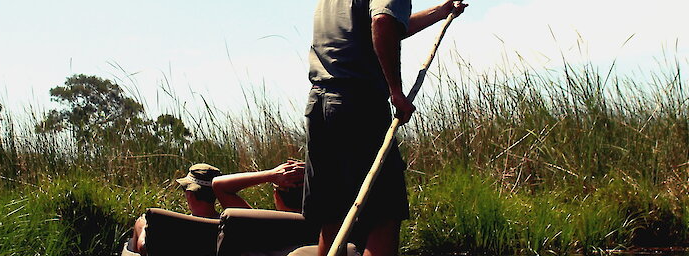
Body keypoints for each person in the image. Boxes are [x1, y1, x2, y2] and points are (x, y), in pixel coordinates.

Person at [302, 0, 468, 255]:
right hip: (357, 104)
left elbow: (384, 24)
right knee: (383, 214)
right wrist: (396, 92)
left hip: (320, 104)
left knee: (333, 215)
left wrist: (441, 12)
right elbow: (382, 21)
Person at [125, 161, 307, 254]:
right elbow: (219, 186)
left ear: (189, 194)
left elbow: (219, 185)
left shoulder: (256, 226)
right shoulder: (318, 231)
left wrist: (272, 175)